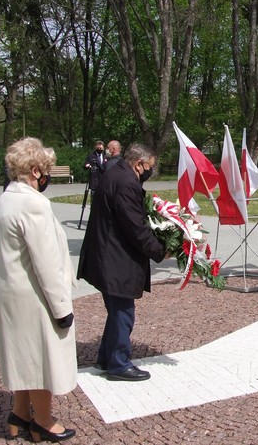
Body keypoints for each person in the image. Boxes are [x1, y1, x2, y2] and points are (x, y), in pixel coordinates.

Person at [0, 138, 77, 442]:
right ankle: (42, 420)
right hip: (34, 295)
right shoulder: (34, 204)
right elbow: (46, 263)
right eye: (46, 170)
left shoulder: (3, 201)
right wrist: (62, 309)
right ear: (36, 170)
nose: (47, 177)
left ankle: (19, 413)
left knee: (23, 355)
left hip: (10, 291)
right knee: (40, 358)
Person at [77, 144, 168, 382]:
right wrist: (161, 250)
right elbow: (135, 227)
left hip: (107, 254)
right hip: (115, 258)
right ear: (138, 164)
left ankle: (105, 358)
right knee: (123, 312)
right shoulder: (126, 183)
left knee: (117, 310)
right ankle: (119, 364)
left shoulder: (115, 173)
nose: (150, 171)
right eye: (149, 167)